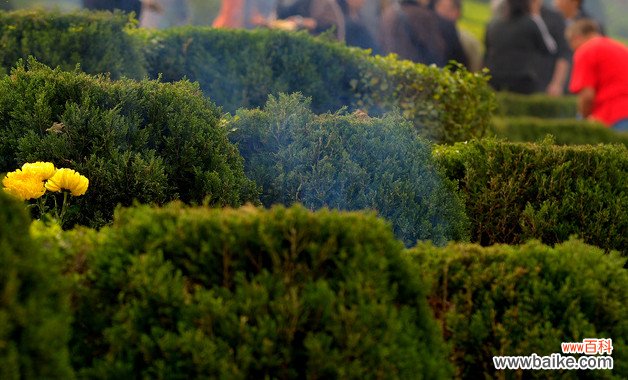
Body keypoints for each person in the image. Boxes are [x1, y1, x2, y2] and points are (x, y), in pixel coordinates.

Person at [567, 19, 628, 131]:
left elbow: (587, 96)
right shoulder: (621, 48)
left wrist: (582, 120)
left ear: (576, 38)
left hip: (613, 117)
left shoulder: (585, 50)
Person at [484, 0, 555, 94]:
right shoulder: (531, 23)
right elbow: (550, 48)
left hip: (494, 80)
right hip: (522, 83)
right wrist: (536, 16)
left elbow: (486, 51)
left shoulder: (493, 24)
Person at [380, 0, 446, 66]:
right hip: (417, 70)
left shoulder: (388, 14)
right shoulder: (422, 15)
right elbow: (436, 49)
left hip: (393, 69)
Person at [431, 0, 480, 71]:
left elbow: (476, 69)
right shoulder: (429, 37)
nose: (443, 12)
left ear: (458, 12)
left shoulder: (469, 42)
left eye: (448, 9)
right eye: (441, 7)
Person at [276, 0, 346, 41]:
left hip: (324, 50)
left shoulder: (323, 3)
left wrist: (299, 21)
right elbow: (281, 16)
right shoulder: (300, 2)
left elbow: (317, 24)